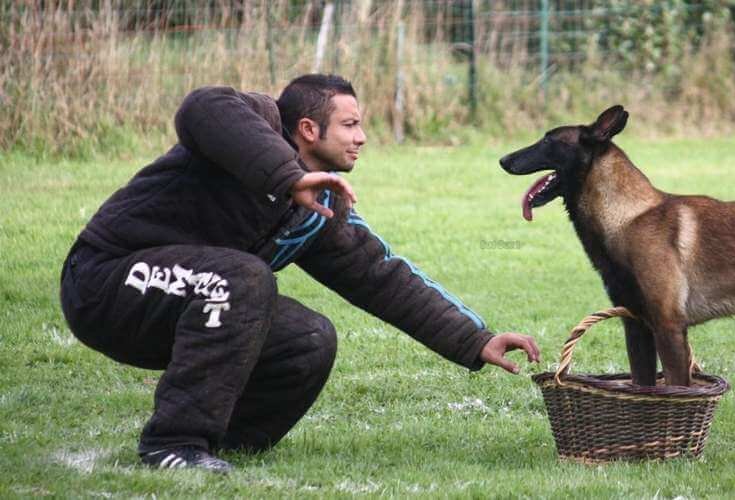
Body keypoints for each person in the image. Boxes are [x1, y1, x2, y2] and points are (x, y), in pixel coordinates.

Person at [59, 74, 540, 473]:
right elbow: (202, 106)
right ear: (308, 129)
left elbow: (381, 276)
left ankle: (227, 445)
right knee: (244, 279)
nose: (362, 137)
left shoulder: (321, 210)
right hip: (105, 283)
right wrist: (287, 177)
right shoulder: (255, 123)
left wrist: (475, 339)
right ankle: (173, 446)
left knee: (308, 337)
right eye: (350, 125)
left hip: (192, 305)